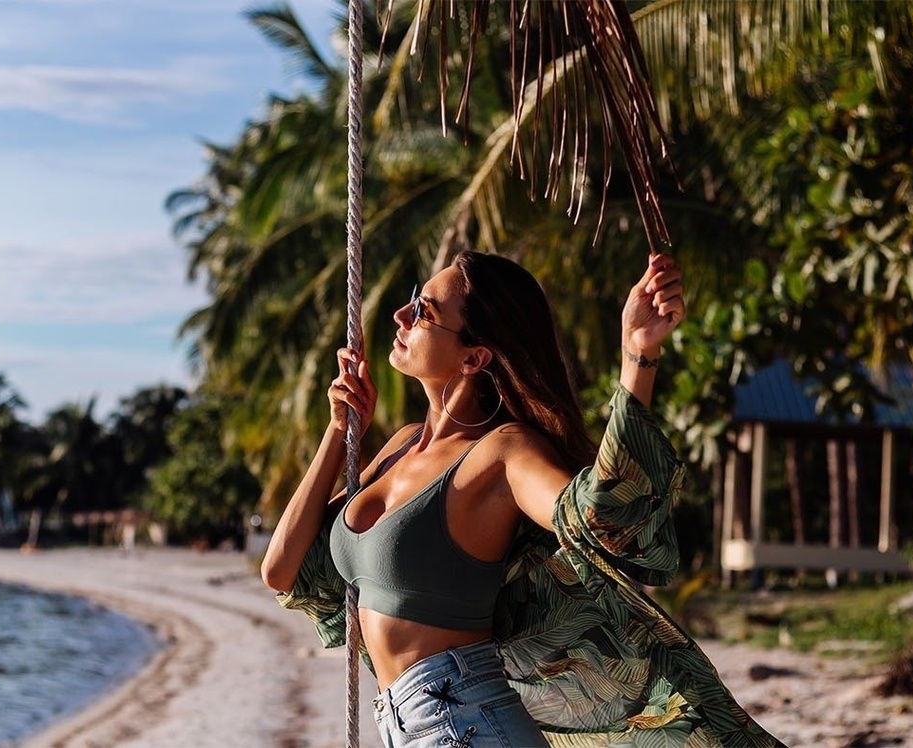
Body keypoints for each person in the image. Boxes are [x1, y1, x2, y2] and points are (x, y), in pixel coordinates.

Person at [262, 251, 782, 747]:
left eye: (424, 310)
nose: (401, 314)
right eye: (413, 298)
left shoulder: (504, 453)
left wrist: (638, 355)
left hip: (464, 721)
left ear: (476, 356)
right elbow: (282, 569)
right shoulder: (400, 445)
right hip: (410, 722)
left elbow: (597, 515)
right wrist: (338, 433)